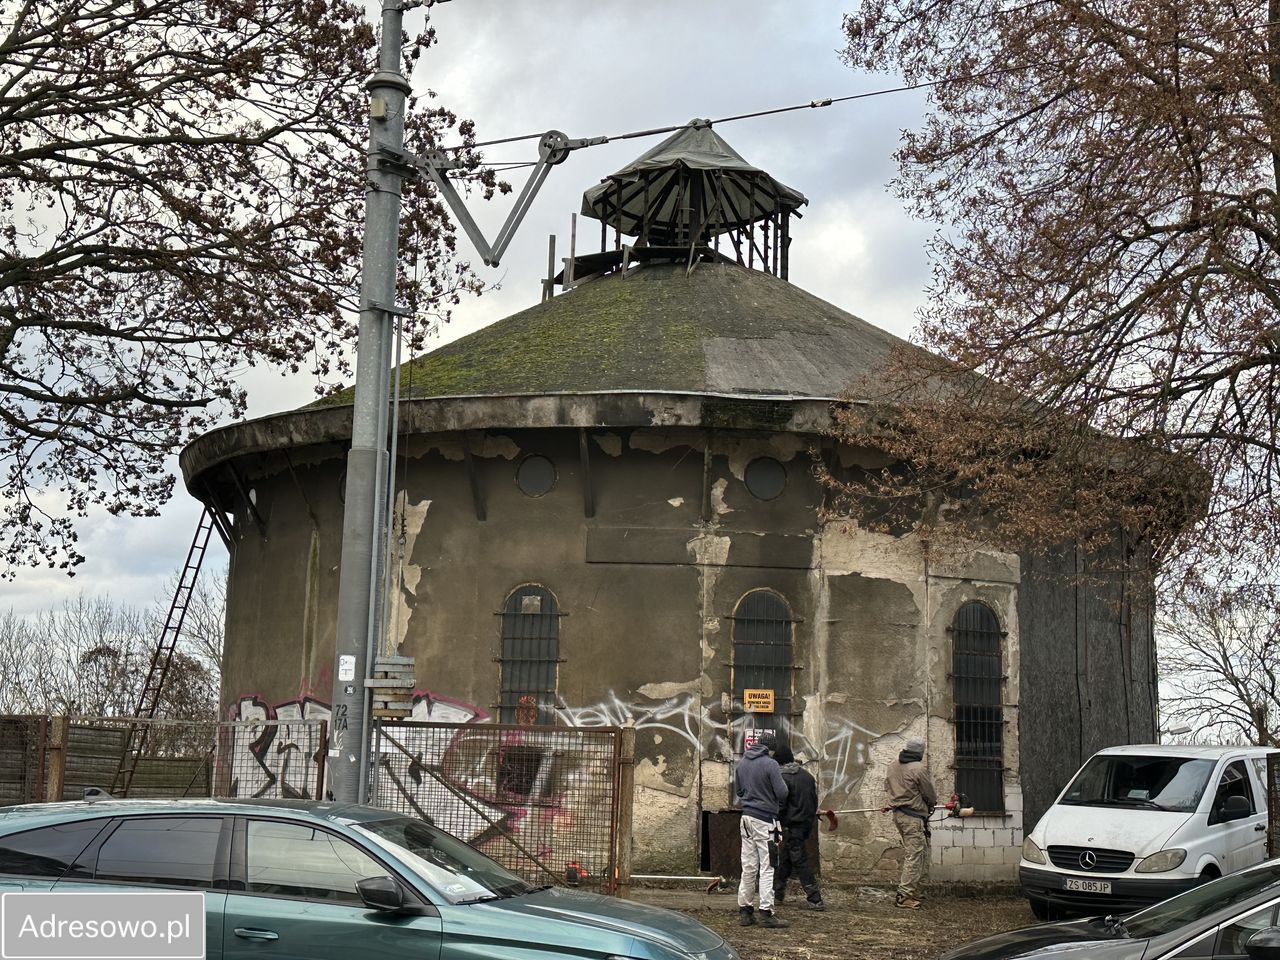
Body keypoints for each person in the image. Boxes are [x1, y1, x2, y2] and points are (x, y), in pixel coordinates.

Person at [735, 730, 790, 928]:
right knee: (768, 866)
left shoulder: (742, 763)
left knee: (748, 866)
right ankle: (766, 911)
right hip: (766, 820)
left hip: (746, 818)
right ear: (771, 749)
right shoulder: (770, 763)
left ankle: (745, 910)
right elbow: (782, 793)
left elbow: (739, 791)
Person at [885, 735, 937, 910]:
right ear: (920, 752)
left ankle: (913, 890)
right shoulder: (918, 768)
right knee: (915, 855)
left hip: (899, 815)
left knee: (918, 853)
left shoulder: (892, 766)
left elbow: (888, 787)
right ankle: (904, 896)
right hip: (913, 817)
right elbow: (929, 793)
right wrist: (930, 805)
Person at [772, 744, 824, 910]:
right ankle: (777, 894)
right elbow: (813, 802)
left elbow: (781, 804)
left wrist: (775, 820)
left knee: (799, 861)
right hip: (804, 824)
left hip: (790, 825)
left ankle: (815, 898)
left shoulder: (782, 777)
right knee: (786, 858)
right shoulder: (807, 776)